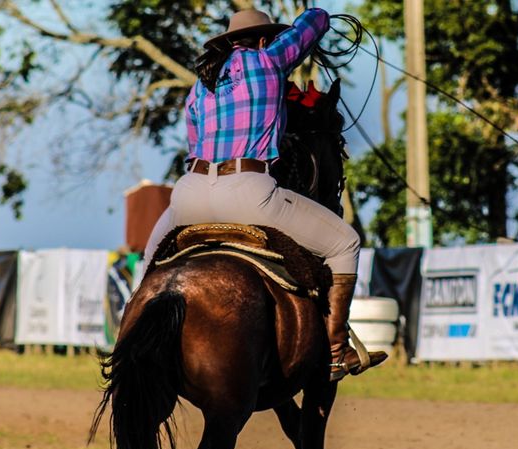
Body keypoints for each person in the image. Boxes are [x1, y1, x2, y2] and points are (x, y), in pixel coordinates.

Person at [138, 8, 386, 381]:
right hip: (246, 190)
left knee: (150, 263)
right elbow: (313, 24)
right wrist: (319, 11)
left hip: (189, 193)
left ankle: (131, 341)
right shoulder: (267, 60)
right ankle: (335, 352)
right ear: (265, 39)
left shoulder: (200, 85)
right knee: (345, 243)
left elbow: (194, 144)